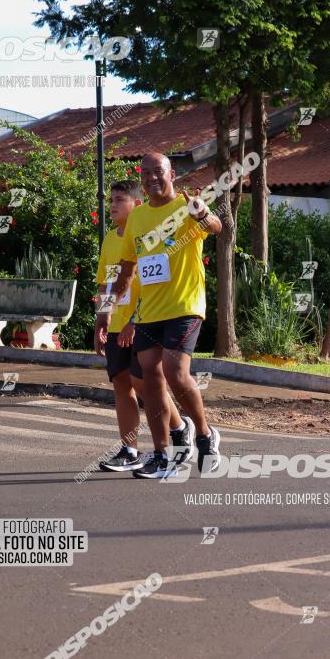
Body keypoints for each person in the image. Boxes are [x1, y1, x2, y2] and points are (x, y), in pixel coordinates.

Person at [110, 154, 222, 479]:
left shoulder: (187, 206)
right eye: (144, 173)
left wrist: (202, 214)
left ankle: (204, 433)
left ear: (171, 174)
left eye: (157, 172)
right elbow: (129, 267)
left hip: (185, 305)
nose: (150, 178)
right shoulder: (138, 217)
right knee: (149, 378)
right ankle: (161, 455)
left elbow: (216, 227)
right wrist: (109, 310)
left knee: (175, 370)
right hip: (151, 310)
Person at [94, 179, 194, 472]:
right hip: (116, 325)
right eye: (111, 199)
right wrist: (102, 318)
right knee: (121, 384)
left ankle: (179, 430)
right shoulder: (111, 239)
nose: (112, 205)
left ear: (137, 205)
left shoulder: (149, 239)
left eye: (119, 200)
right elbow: (106, 283)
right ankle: (130, 450)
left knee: (147, 382)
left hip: (145, 320)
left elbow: (154, 285)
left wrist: (135, 321)